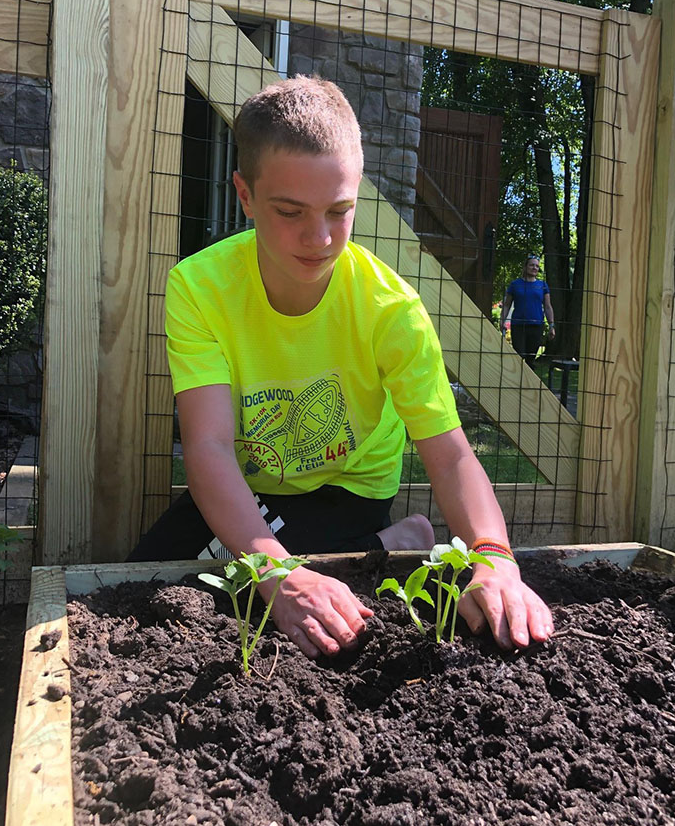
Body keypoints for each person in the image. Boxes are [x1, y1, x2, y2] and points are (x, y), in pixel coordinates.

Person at [129, 76, 553, 658]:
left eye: (339, 210)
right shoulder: (199, 288)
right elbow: (208, 451)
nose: (320, 236)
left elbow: (451, 453)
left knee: (228, 583)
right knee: (145, 581)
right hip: (255, 482)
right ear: (246, 196)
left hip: (345, 485)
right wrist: (280, 576)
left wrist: (494, 557)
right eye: (290, 211)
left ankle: (380, 537)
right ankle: (392, 544)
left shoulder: (390, 309)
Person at [501, 255, 555, 368]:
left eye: (537, 266)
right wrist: (502, 322)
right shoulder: (515, 285)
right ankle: (516, 382)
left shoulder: (542, 285)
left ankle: (529, 384)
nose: (534, 268)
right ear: (525, 267)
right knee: (519, 356)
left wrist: (551, 326)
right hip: (518, 325)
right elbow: (506, 305)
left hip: (536, 326)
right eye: (531, 265)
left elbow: (548, 306)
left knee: (531, 359)